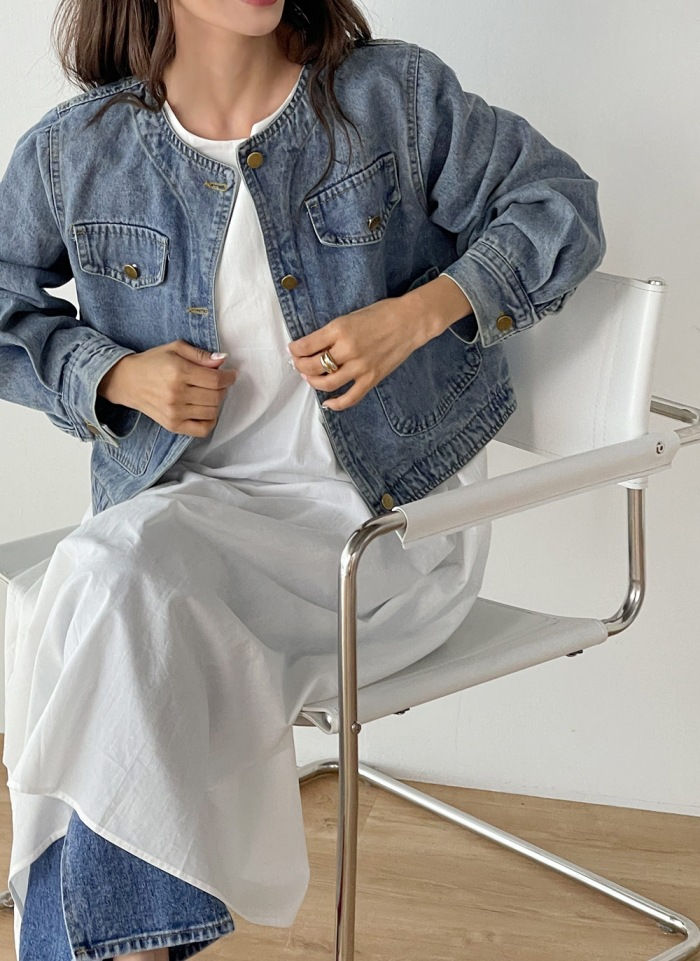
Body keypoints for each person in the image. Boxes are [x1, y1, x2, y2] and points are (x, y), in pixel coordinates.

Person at [0, 0, 606, 957]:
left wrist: (420, 311)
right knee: (109, 583)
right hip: (187, 528)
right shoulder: (81, 149)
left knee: (102, 592)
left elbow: (559, 207)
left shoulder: (393, 98)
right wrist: (110, 374)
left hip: (379, 536)